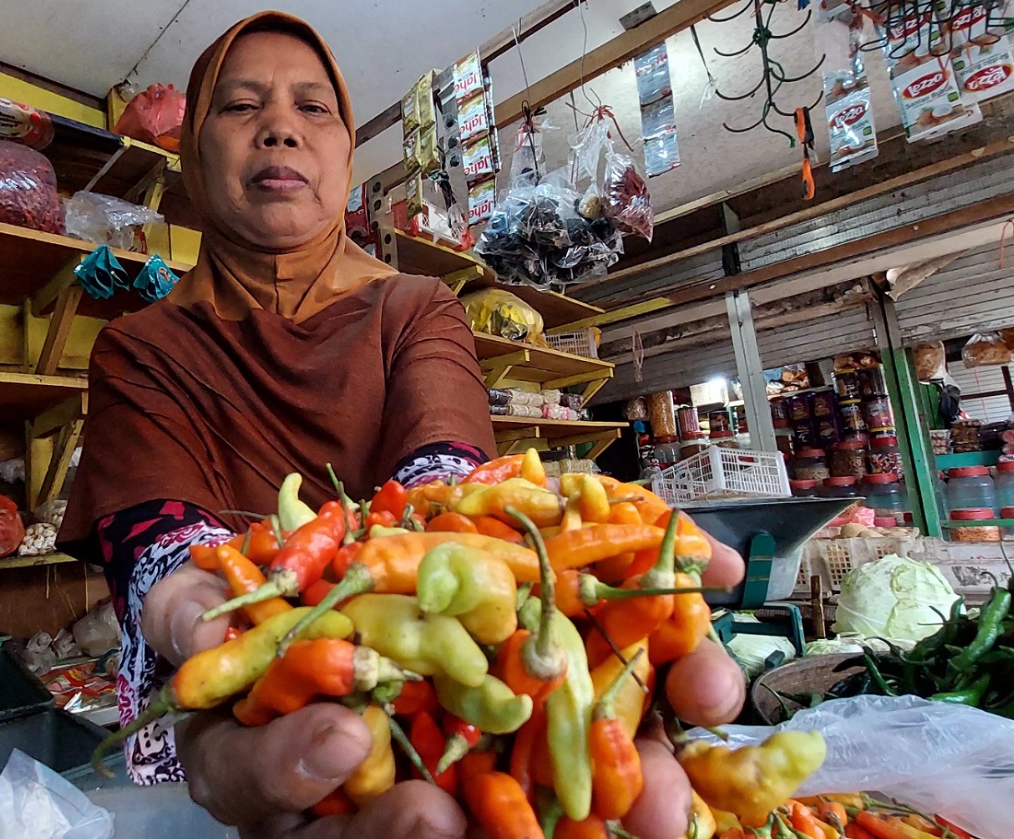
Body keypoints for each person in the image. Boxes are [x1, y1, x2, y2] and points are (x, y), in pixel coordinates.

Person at [60, 12, 746, 839]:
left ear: (347, 155)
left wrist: (549, 618)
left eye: (314, 109)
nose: (280, 126)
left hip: (414, 705)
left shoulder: (417, 308)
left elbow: (446, 483)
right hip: (226, 714)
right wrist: (218, 625)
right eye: (240, 107)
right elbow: (159, 538)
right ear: (192, 154)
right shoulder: (141, 346)